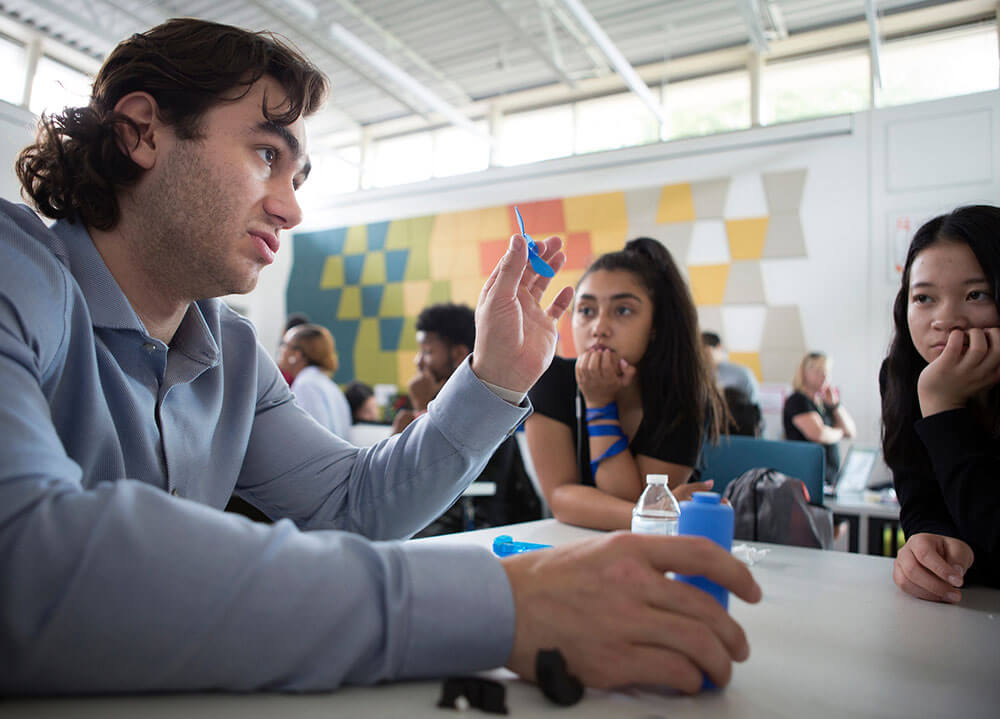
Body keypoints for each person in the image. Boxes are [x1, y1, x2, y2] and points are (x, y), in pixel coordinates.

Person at [0, 19, 760, 695]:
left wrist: (494, 378)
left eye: (296, 176)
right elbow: (24, 561)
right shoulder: (17, 269)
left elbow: (353, 505)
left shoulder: (230, 351)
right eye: (266, 154)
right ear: (141, 131)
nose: (291, 206)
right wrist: (497, 604)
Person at [525, 238, 724, 531]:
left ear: (655, 325)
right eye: (586, 310)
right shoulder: (551, 381)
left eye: (623, 311)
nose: (599, 328)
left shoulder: (683, 395)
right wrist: (651, 515)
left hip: (660, 550)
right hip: (575, 546)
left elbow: (630, 497)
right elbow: (560, 498)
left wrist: (599, 405)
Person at [881, 205, 1000, 602]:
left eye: (976, 294)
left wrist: (943, 405)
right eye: (924, 298)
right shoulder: (901, 373)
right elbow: (921, 504)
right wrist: (926, 544)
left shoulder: (931, 387)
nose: (946, 319)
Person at [394, 303, 542, 534]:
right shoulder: (420, 410)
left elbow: (435, 482)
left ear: (458, 354)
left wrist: (423, 409)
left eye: (428, 352)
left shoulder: (486, 413)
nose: (418, 362)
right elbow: (388, 486)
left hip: (475, 532)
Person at [782, 352, 856, 487]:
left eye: (827, 371)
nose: (824, 376)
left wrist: (835, 406)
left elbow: (851, 431)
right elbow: (818, 434)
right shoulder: (798, 400)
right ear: (804, 373)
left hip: (829, 479)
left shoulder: (823, 403)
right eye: (819, 371)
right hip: (807, 478)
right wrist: (839, 433)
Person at [276, 322, 352, 437]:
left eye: (284, 345)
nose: (280, 349)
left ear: (297, 354)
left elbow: (310, 437)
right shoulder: (327, 384)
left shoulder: (306, 385)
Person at [701, 331, 762, 410]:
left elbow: (753, 401)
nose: (703, 356)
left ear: (719, 347)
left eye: (705, 352)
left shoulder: (740, 373)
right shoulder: (701, 373)